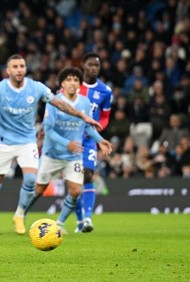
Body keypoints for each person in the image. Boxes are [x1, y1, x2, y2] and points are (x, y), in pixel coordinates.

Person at [0, 54, 101, 235]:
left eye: (22, 66)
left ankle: (19, 215)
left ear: (25, 69)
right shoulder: (0, 87)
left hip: (27, 141)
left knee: (30, 179)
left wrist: (82, 116)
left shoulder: (36, 87)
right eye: (15, 66)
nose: (19, 69)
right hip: (3, 142)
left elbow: (61, 104)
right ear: (8, 71)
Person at [26, 67, 112, 233]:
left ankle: (59, 223)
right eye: (69, 80)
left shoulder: (85, 102)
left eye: (76, 80)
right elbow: (48, 130)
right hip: (52, 154)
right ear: (62, 84)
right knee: (38, 190)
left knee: (75, 190)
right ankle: (21, 215)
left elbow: (87, 127)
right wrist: (67, 143)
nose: (73, 83)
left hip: (73, 156)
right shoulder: (54, 101)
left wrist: (100, 141)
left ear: (80, 84)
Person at [72, 52, 113, 233]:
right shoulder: (72, 86)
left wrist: (97, 129)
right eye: (91, 64)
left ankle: (88, 218)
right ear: (83, 65)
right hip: (71, 139)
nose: (94, 68)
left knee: (88, 174)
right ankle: (80, 221)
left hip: (89, 140)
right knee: (72, 182)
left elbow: (105, 117)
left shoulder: (105, 91)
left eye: (97, 65)